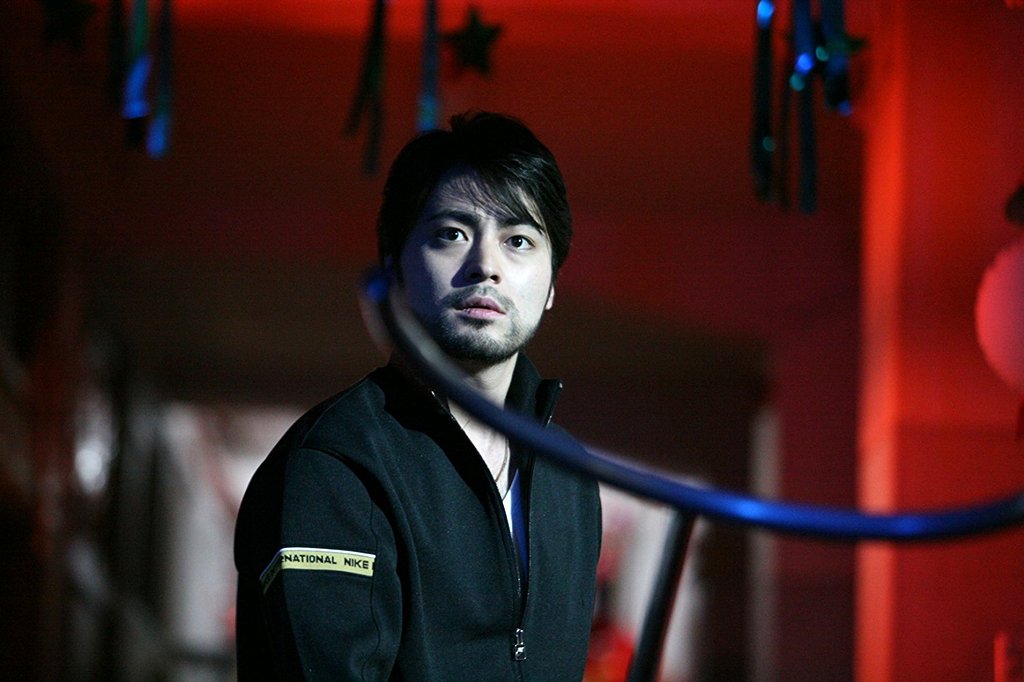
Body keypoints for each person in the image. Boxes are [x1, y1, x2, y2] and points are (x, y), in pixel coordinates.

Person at [233, 111, 602, 680]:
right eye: (451, 234)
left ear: (552, 283)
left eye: (518, 240)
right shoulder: (336, 463)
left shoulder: (569, 475)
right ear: (394, 265)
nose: (486, 266)